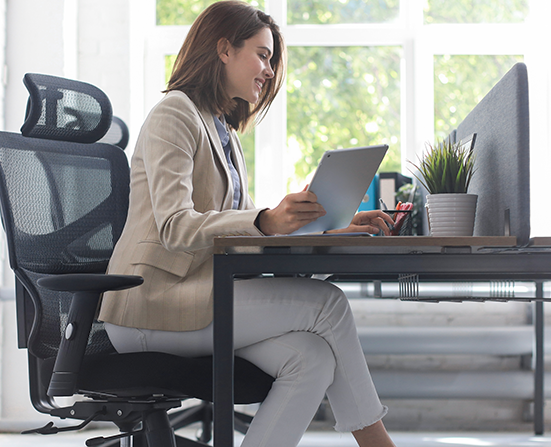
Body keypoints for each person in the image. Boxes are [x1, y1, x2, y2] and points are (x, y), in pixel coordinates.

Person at [98, 2, 396, 446]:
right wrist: (265, 220)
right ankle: (377, 443)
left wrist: (328, 226)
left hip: (199, 297)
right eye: (262, 54)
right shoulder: (174, 115)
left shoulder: (225, 132)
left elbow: (247, 234)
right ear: (223, 50)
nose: (270, 70)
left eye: (271, 60)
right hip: (152, 305)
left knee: (311, 358)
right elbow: (176, 228)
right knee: (328, 304)